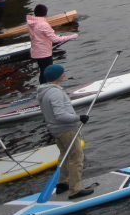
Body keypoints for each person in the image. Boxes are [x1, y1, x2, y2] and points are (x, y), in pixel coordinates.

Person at [38, 62, 93, 198]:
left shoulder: (44, 91)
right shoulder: (55, 93)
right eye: (62, 72)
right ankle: (75, 190)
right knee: (76, 157)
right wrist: (78, 117)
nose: (65, 74)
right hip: (66, 130)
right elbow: (60, 115)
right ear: (57, 76)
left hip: (55, 130)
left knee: (65, 155)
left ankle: (62, 184)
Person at [27, 3, 69, 73]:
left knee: (43, 71)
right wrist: (70, 36)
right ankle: (46, 83)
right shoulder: (43, 24)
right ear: (45, 14)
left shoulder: (32, 23)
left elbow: (40, 34)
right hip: (44, 53)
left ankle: (42, 83)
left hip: (37, 51)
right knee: (47, 71)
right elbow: (55, 39)